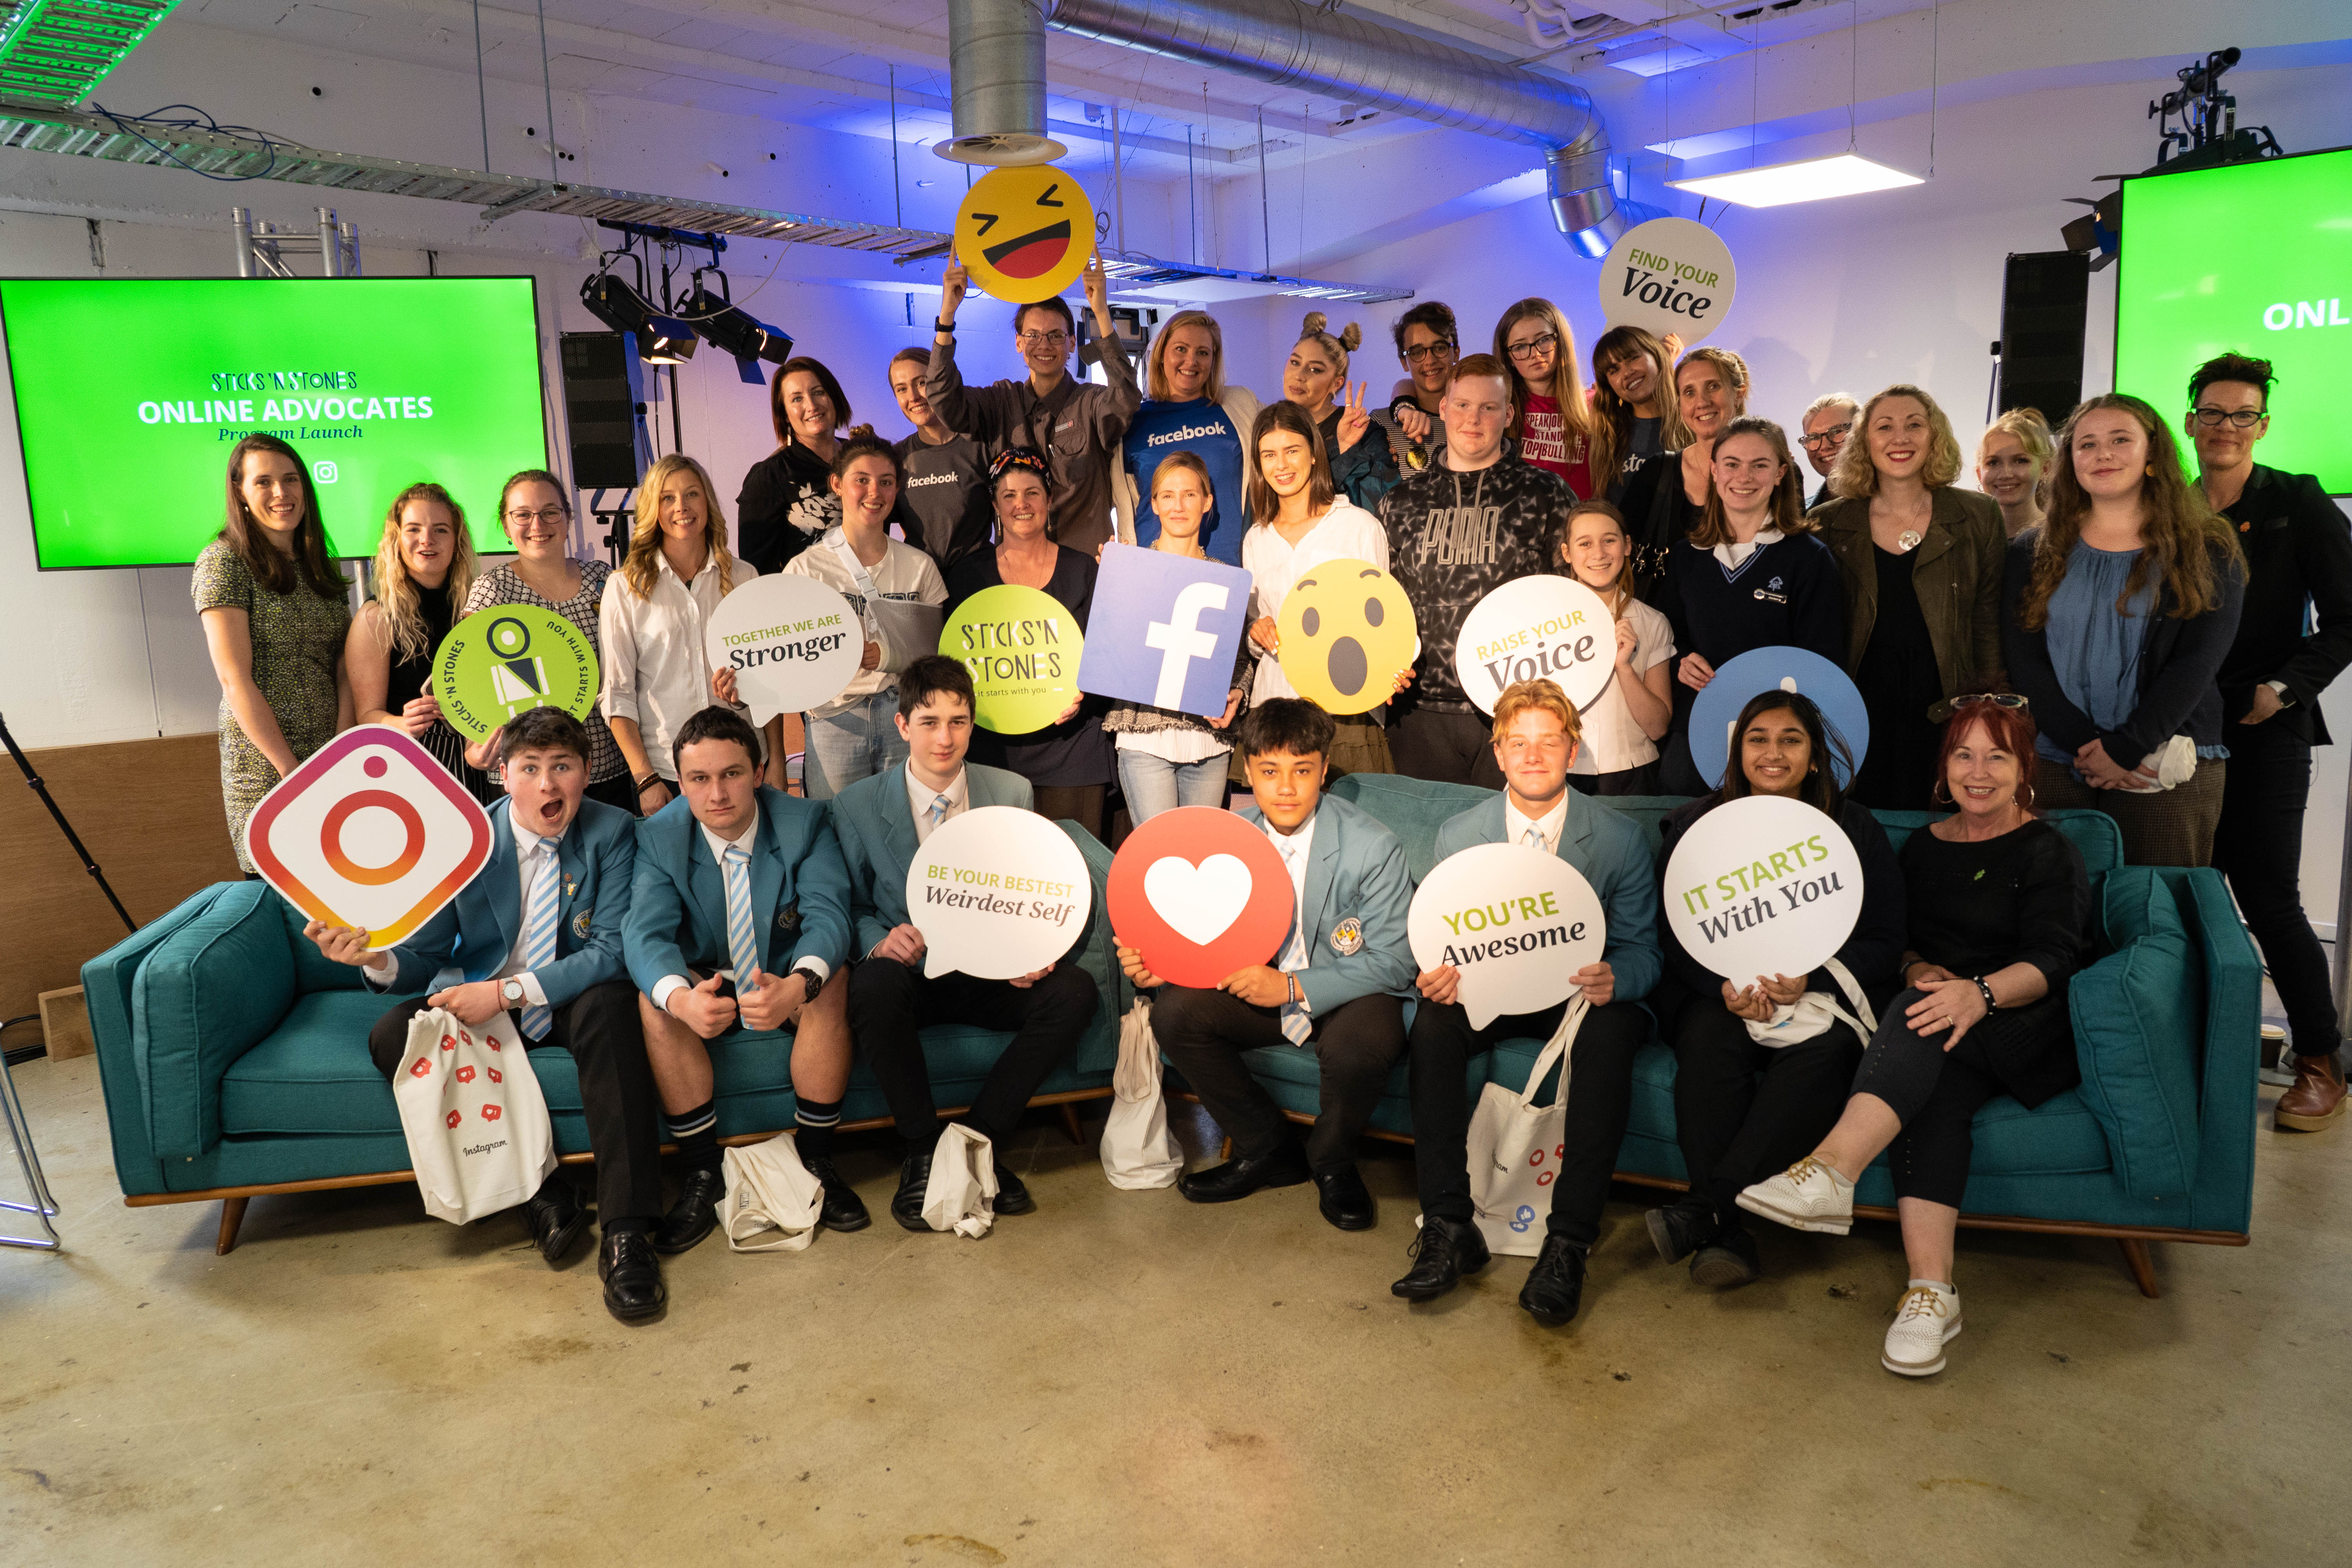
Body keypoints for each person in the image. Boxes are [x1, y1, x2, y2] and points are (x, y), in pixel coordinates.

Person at [1737, 699, 2088, 1376]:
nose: (1978, 772)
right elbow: (1901, 944)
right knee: (1933, 1068)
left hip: (2024, 1017)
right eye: (1963, 755)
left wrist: (1977, 995)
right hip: (1942, 1026)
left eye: (1997, 756)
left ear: (2025, 771)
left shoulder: (2049, 849)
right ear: (1944, 768)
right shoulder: (1922, 848)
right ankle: (1932, 1293)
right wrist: (1921, 969)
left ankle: (1831, 1171)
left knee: (1918, 1016)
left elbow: (2056, 959)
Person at [303, 706, 666, 1323]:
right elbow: (425, 956)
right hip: (478, 995)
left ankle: (629, 1235)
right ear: (503, 775)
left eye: (563, 767)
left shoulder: (615, 832)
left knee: (613, 1008)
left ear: (585, 773)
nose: (548, 785)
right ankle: (541, 1196)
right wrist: (377, 959)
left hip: (565, 993)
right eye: (531, 768)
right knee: (396, 1032)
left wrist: (507, 995)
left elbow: (609, 952)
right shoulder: (465, 842)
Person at [1388, 679, 1661, 1310]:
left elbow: (1645, 951)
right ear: (1500, 752)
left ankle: (1567, 1243)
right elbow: (1441, 934)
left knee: (1613, 1031)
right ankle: (1448, 1225)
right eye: (1518, 743)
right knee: (1431, 1021)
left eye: (1549, 741)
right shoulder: (1461, 835)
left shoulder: (1618, 838)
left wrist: (1619, 977)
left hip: (1577, 999)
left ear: (1573, 749)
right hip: (1491, 991)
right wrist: (1436, 972)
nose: (1533, 755)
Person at [1644, 691, 1907, 1290]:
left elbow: (1888, 941)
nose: (1773, 752)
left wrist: (1809, 980)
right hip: (1719, 996)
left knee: (1831, 1053)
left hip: (1819, 998)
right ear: (1739, 753)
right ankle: (1727, 1231)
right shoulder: (1694, 827)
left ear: (1814, 756)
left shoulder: (1853, 828)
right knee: (1708, 1045)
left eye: (1791, 739)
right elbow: (1673, 936)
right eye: (1758, 739)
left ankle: (1709, 1209)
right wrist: (1724, 988)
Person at [834, 656, 1103, 1229]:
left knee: (1075, 991)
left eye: (958, 721)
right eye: (929, 722)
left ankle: (976, 1141)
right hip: (911, 976)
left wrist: (1034, 951)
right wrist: (881, 940)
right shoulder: (855, 806)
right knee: (873, 982)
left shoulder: (1011, 789)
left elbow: (1033, 889)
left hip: (989, 975)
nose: (945, 737)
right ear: (903, 726)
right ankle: (922, 1149)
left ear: (973, 724)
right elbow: (851, 905)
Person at [1130, 697, 1415, 1230]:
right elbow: (1203, 940)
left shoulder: (1372, 846)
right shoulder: (1227, 844)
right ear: (1248, 774)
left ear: (1324, 771)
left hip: (1344, 994)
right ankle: (1268, 1150)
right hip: (1256, 991)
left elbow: (1396, 963)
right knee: (1174, 1013)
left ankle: (1331, 1162)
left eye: (1302, 771)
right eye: (1269, 772)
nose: (1286, 788)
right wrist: (1160, 965)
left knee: (1366, 1042)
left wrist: (1290, 986)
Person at [623, 705, 860, 1252]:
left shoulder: (805, 822)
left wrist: (799, 983)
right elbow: (645, 936)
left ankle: (817, 1159)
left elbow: (830, 915)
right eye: (700, 780)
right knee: (652, 999)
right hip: (708, 978)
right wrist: (680, 999)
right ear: (680, 784)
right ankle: (703, 1173)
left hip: (782, 970)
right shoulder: (658, 838)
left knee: (834, 978)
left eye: (731, 774)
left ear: (758, 772)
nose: (718, 794)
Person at [2190, 353, 2352, 1131]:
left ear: (2263, 425)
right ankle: (2190, 1046)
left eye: (2241, 415)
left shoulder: (2300, 501)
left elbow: (2348, 615)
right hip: (2181, 731)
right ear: (2191, 421)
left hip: (2265, 728)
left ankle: (2320, 1056)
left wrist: (2284, 688)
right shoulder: (2171, 508)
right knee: (2181, 891)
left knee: (2269, 896)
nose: (2226, 427)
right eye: (2213, 412)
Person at [2003, 394, 2247, 867]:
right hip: (2056, 757)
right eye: (2087, 444)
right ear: (2069, 460)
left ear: (2153, 453)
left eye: (2120, 440)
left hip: (2164, 760)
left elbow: (2198, 662)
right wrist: (2083, 745)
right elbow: (2024, 658)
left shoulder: (2207, 546)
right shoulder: (2031, 549)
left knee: (2156, 912)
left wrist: (2127, 747)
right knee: (2054, 911)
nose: (2103, 454)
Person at [1381, 354, 1574, 788]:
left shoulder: (1545, 493)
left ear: (1508, 415)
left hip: (1516, 712)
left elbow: (1573, 595)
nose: (1474, 419)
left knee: (1508, 850)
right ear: (1444, 410)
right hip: (1418, 712)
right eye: (1464, 406)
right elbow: (1382, 605)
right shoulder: (1401, 502)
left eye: (1489, 408)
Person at [1815, 385, 2007, 809]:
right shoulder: (1827, 523)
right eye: (1885, 427)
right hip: (1854, 714)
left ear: (1934, 436)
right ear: (1865, 443)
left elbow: (1987, 623)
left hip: (1948, 712)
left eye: (1914, 425)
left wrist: (1993, 711)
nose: (1900, 438)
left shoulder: (1979, 516)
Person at [1655, 416, 1844, 796]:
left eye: (1760, 465)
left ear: (1781, 473)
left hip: (1774, 743)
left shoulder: (1808, 559)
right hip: (1698, 728)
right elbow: (1666, 636)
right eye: (1732, 464)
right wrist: (1681, 660)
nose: (1744, 477)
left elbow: (1823, 662)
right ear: (1713, 470)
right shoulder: (1686, 556)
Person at [758, 434, 950, 801]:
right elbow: (786, 659)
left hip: (904, 717)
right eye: (861, 479)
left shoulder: (919, 567)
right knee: (838, 833)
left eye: (886, 482)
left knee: (902, 828)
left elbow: (936, 655)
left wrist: (891, 655)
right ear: (837, 484)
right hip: (834, 720)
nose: (874, 492)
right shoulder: (806, 569)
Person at [193, 435, 352, 873]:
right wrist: (291, 770)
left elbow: (343, 665)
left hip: (330, 755)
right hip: (267, 763)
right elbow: (234, 679)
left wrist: (339, 752)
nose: (282, 493)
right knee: (279, 886)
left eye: (291, 479)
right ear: (241, 494)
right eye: (263, 482)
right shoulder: (223, 560)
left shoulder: (319, 562)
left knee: (342, 883)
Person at [944, 449, 1114, 838]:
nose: (1021, 504)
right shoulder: (969, 575)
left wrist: (1084, 694)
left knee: (1075, 873)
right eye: (1009, 495)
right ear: (995, 505)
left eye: (1032, 493)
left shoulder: (1083, 569)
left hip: (1073, 751)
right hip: (993, 755)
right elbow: (952, 666)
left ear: (1050, 499)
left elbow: (1106, 660)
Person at [926, 247, 1138, 555]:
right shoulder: (1000, 402)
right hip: (1019, 572)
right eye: (1033, 335)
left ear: (1072, 344)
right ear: (1018, 343)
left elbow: (1127, 398)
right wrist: (947, 315)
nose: (1044, 345)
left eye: (1055, 336)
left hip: (1085, 572)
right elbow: (944, 399)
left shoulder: (1090, 403)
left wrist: (1102, 313)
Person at [602, 454, 771, 815]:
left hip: (740, 766)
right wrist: (645, 779)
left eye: (692, 494)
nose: (682, 507)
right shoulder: (625, 587)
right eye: (668, 498)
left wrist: (778, 761)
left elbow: (770, 683)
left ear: (707, 502)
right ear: (653, 508)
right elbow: (617, 695)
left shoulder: (744, 578)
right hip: (666, 773)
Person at [463, 470, 635, 814]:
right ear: (506, 525)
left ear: (569, 518)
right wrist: (473, 746)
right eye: (523, 515)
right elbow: (472, 677)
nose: (537, 524)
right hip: (529, 778)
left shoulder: (604, 579)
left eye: (550, 512)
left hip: (604, 770)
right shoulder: (493, 589)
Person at [1243, 401, 1396, 777]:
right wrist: (1256, 631)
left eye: (1292, 451)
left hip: (1345, 709)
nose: (1282, 465)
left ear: (1314, 454)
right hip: (1275, 707)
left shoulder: (1359, 527)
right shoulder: (1256, 540)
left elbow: (1385, 620)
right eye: (1269, 455)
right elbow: (1256, 633)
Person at [1101, 452, 1249, 820]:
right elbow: (1110, 655)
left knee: (1200, 855)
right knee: (1157, 859)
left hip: (1209, 743)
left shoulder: (1226, 578)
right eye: (1167, 495)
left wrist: (1237, 694)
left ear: (1208, 502)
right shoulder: (1128, 569)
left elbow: (1242, 658)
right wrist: (1113, 586)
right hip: (1144, 741)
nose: (1178, 506)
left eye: (1189, 494)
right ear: (1153, 504)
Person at [348, 481, 477, 784]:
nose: (427, 539)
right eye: (414, 529)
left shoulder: (477, 609)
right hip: (409, 767)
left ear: (457, 541)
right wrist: (402, 723)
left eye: (441, 530)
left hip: (479, 762)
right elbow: (367, 715)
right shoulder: (376, 618)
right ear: (396, 539)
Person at [1115, 309, 1261, 566]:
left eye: (1203, 353)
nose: (1191, 361)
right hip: (1154, 569)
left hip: (1232, 569)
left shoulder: (1240, 405)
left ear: (1214, 361)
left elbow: (1288, 443)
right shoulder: (1133, 420)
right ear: (1161, 355)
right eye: (1181, 349)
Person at [1557, 499, 1673, 794]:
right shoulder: (1543, 620)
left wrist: (1624, 666)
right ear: (1567, 553)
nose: (1599, 553)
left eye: (1609, 540)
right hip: (1558, 770)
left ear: (1627, 546)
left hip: (1631, 777)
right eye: (1585, 544)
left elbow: (1658, 728)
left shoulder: (1652, 622)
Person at [1617, 346, 1749, 590]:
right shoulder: (1656, 472)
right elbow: (1618, 549)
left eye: (1713, 386)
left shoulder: (1774, 473)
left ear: (1739, 393)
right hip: (1664, 626)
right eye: (1689, 392)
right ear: (1679, 404)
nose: (1702, 402)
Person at [736, 356, 855, 577]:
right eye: (797, 399)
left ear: (834, 397)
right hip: (806, 605)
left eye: (819, 392)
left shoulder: (865, 459)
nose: (811, 406)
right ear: (785, 416)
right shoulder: (770, 477)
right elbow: (758, 572)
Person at [888, 347, 994, 573]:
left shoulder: (980, 447)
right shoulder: (896, 458)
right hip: (920, 586)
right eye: (902, 389)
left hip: (978, 582)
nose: (914, 397)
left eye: (922, 383)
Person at [1282, 312, 1398, 512]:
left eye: (1315, 370)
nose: (1299, 376)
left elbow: (1380, 506)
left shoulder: (1365, 434)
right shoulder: (1275, 430)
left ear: (1337, 383)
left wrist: (1346, 452)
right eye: (1295, 363)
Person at [1494, 297, 1595, 498]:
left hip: (1581, 525)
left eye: (1543, 340)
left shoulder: (1594, 405)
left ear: (1560, 342)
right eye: (1520, 347)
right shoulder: (1499, 410)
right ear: (1508, 358)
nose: (1535, 353)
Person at [1587, 325, 1688, 506]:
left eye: (1633, 358)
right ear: (1609, 384)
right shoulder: (1608, 437)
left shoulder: (1694, 421)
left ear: (1657, 356)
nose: (1627, 373)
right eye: (1614, 370)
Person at [1376, 301, 1458, 470]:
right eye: (1417, 352)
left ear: (1456, 353)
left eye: (1440, 348)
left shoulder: (1473, 423)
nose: (1430, 360)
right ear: (1404, 363)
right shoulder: (1381, 424)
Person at [1976, 408, 2056, 540]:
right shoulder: (1969, 538)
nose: (2005, 474)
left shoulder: (2064, 537)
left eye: (2020, 461)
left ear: (2045, 469)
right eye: (1993, 463)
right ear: (1980, 474)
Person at [1798, 392, 1858, 511]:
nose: (1825, 446)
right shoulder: (1800, 518)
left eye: (1837, 432)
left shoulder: (1893, 502)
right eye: (1813, 438)